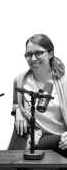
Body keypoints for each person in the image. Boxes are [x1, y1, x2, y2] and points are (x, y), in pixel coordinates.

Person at [12, 33, 67, 161]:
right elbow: (15, 103)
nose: (33, 58)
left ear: (51, 53)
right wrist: (19, 110)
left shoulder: (64, 81)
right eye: (29, 54)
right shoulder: (19, 80)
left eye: (38, 53)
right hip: (39, 138)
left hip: (63, 135)